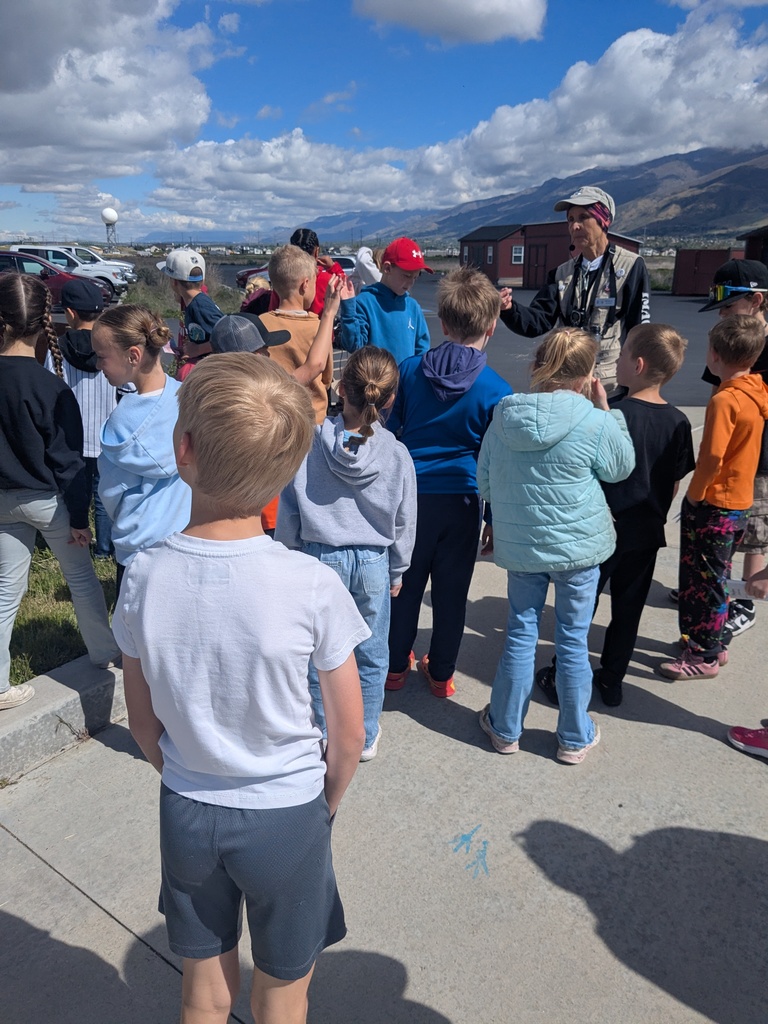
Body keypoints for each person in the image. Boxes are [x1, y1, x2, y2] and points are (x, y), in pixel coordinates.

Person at [114, 353, 368, 1024]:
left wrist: (189, 775)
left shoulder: (142, 577)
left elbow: (142, 723)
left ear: (184, 449)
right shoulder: (312, 586)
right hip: (287, 813)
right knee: (282, 997)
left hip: (188, 809)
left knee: (202, 993)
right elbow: (348, 736)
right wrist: (320, 807)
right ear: (287, 472)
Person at [477, 327, 635, 763]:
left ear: (536, 367)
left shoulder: (505, 417)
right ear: (587, 377)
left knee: (520, 632)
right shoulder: (595, 420)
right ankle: (573, 736)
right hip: (579, 550)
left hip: (524, 547)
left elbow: (484, 481)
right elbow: (620, 468)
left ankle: (505, 727)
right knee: (572, 639)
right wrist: (608, 411)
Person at [535, 323, 695, 708]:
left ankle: (562, 672)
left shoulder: (614, 413)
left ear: (637, 365)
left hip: (603, 529)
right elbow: (674, 482)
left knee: (582, 604)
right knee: (628, 609)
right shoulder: (678, 422)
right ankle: (611, 680)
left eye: (622, 354)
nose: (617, 360)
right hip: (647, 531)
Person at [276, 346, 417, 760]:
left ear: (341, 389)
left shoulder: (310, 445)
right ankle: (365, 735)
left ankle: (324, 732)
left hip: (320, 558)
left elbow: (290, 507)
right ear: (390, 399)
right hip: (373, 562)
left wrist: (288, 553)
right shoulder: (396, 453)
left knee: (319, 654)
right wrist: (397, 570)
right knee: (371, 653)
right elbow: (405, 520)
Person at [385, 267, 512, 698]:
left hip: (412, 499)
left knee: (404, 585)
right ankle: (440, 674)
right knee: (452, 593)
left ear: (442, 322)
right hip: (463, 501)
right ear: (491, 326)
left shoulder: (408, 371)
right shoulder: (497, 390)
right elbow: (495, 463)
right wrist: (493, 518)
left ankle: (394, 668)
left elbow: (391, 436)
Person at [0, 273, 119, 710]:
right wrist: (79, 519)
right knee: (82, 580)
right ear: (45, 320)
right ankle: (104, 653)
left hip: (2, 500)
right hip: (46, 501)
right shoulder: (51, 385)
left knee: (5, 589)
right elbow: (69, 463)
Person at [659, 315, 768, 679]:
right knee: (717, 577)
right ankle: (713, 642)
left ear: (715, 355)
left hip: (714, 504)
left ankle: (702, 655)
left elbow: (712, 458)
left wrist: (694, 495)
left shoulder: (725, 401)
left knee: (702, 580)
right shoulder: (757, 390)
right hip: (740, 502)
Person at [499, 186, 650, 392]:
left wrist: (637, 387)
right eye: (570, 219)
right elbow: (538, 322)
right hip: (566, 382)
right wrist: (509, 309)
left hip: (609, 384)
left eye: (583, 217)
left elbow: (640, 330)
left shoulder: (630, 266)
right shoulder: (561, 274)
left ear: (604, 220)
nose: (575, 226)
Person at [93, 305, 191, 597]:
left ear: (133, 356)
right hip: (184, 539)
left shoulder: (121, 422)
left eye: (101, 356)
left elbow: (109, 492)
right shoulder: (188, 401)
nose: (98, 365)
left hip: (137, 546)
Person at [698, 259, 768, 641]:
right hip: (729, 452)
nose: (722, 314)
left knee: (754, 529)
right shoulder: (726, 339)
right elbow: (717, 390)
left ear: (756, 301)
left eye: (728, 305)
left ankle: (744, 602)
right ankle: (713, 584)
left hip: (761, 456)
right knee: (722, 526)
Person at [47, 278, 117, 559]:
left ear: (70, 313)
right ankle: (104, 548)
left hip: (71, 437)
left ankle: (75, 539)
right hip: (107, 436)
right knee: (103, 494)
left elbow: (49, 390)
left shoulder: (57, 349)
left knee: (74, 493)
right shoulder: (112, 347)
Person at [259, 245, 335, 426]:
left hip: (273, 419)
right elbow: (326, 378)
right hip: (311, 420)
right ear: (305, 284)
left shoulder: (260, 323)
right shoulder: (318, 327)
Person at [339, 236, 432, 365]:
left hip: (406, 378)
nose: (411, 283)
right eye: (407, 276)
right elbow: (354, 345)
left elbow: (422, 350)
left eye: (415, 277)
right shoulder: (365, 302)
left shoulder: (412, 306)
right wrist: (348, 309)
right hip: (376, 378)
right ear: (387, 268)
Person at [156, 248, 223, 380]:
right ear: (202, 281)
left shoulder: (200, 306)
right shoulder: (194, 303)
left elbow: (225, 338)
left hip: (213, 372)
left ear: (174, 282)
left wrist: (197, 350)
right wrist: (188, 349)